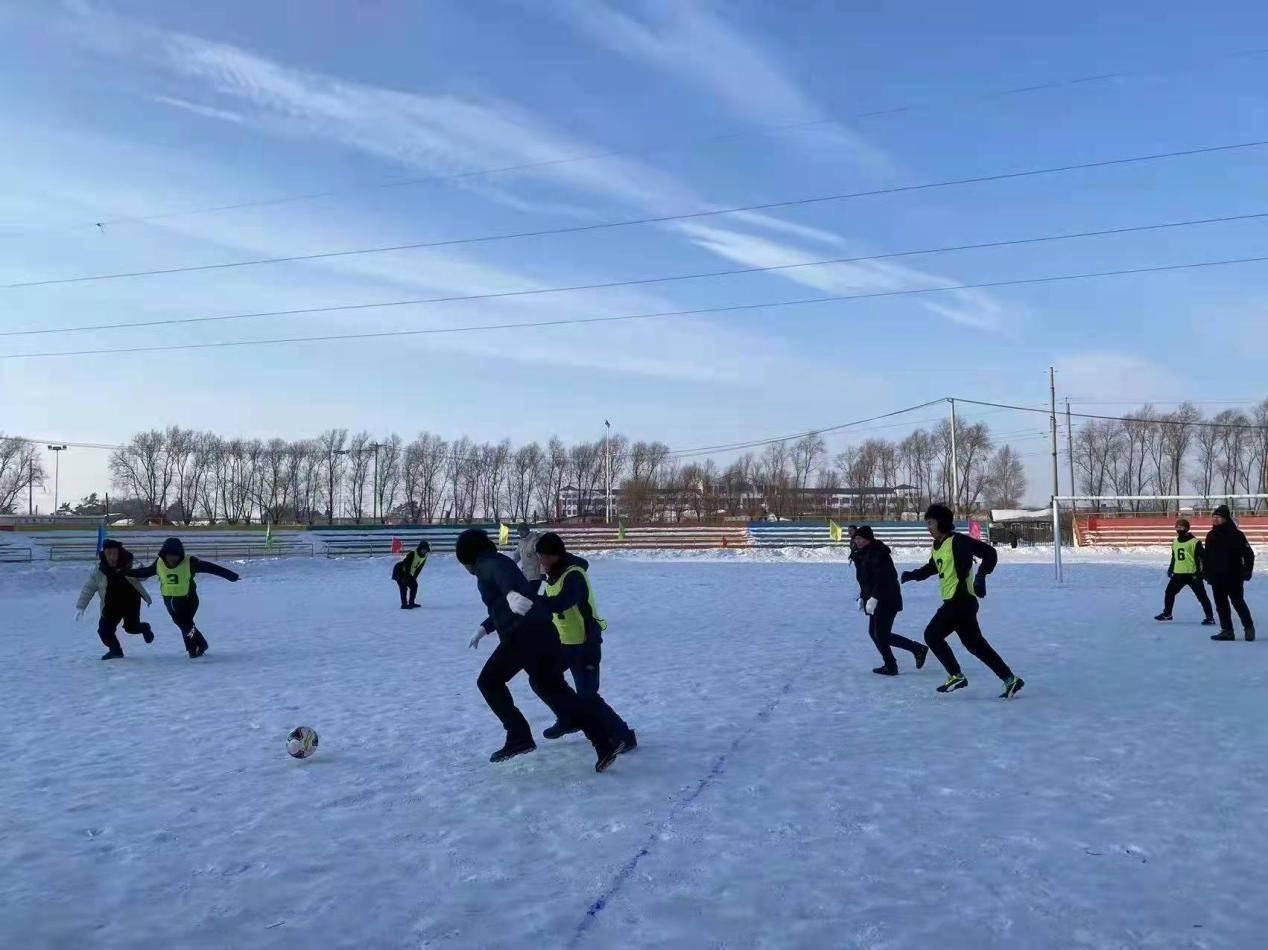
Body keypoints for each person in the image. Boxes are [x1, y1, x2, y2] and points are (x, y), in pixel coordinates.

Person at [457, 528, 624, 771]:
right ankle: (604, 741)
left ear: (468, 556)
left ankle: (519, 736)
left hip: (522, 635)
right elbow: (507, 603)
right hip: (543, 632)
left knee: (489, 682)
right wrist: (485, 628)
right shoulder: (497, 561)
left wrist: (512, 592)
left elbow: (505, 580)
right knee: (554, 689)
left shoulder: (487, 563)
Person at [506, 532, 636, 752]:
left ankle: (624, 736)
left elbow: (561, 603)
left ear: (556, 555)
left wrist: (531, 602)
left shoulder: (574, 575)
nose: (541, 561)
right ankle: (567, 718)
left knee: (588, 696)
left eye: (544, 556)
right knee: (541, 679)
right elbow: (551, 609)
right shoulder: (553, 574)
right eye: (539, 556)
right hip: (563, 643)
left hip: (585, 645)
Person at [901, 503, 1024, 698]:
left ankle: (956, 675)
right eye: (927, 523)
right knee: (975, 645)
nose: (928, 527)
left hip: (960, 601)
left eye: (930, 522)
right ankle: (1010, 679)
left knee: (932, 635)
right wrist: (912, 575)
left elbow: (990, 554)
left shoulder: (958, 541)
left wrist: (981, 576)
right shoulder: (938, 545)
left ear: (941, 522)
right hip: (958, 603)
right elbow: (932, 567)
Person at [128, 537, 240, 658]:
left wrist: (231, 576)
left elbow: (210, 568)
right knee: (186, 625)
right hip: (171, 601)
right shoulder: (159, 563)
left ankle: (200, 645)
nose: (172, 558)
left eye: (176, 555)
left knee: (186, 625)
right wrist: (126, 572)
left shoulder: (190, 563)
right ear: (164, 554)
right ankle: (194, 648)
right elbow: (146, 572)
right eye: (170, 555)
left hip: (190, 599)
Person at [852, 526, 928, 675]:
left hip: (887, 599)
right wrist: (862, 596)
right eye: (857, 539)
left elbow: (886, 578)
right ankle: (902, 657)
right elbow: (866, 581)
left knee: (880, 635)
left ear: (869, 539)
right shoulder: (861, 555)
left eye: (861, 539)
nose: (858, 541)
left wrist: (874, 597)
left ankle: (905, 657)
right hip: (873, 600)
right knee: (875, 634)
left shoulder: (879, 553)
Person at [75, 538, 155, 660]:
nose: (112, 556)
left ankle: (145, 628)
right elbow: (89, 588)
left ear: (119, 552)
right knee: (104, 631)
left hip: (130, 603)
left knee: (131, 628)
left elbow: (143, 575)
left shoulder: (129, 563)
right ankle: (115, 650)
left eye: (114, 553)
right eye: (109, 553)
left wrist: (141, 569)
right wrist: (81, 607)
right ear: (104, 554)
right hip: (111, 605)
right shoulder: (100, 570)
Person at [1204, 504, 1256, 642]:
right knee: (1221, 605)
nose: (1215, 519)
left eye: (1218, 517)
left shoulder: (1237, 535)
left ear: (1226, 519)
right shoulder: (1210, 535)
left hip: (1234, 576)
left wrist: (1247, 571)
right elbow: (1207, 556)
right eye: (1213, 517)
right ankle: (1227, 631)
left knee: (1238, 602)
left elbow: (1249, 554)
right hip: (1217, 577)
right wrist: (1206, 573)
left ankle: (1249, 627)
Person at [1154, 518, 1215, 625]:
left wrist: (1201, 573)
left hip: (1193, 574)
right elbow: (1174, 557)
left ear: (1187, 528)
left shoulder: (1195, 542)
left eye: (1181, 527)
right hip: (1178, 574)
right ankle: (1167, 614)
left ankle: (1210, 617)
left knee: (1202, 596)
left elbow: (1203, 559)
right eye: (1177, 527)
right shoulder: (1175, 542)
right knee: (1169, 593)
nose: (1179, 529)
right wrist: (1171, 568)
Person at [392, 540, 429, 609]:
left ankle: (411, 603)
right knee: (403, 587)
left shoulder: (424, 557)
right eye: (423, 549)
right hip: (399, 570)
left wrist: (414, 578)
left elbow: (418, 568)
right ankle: (404, 605)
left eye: (425, 549)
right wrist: (406, 577)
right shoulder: (412, 553)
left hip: (407, 572)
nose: (424, 551)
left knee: (414, 585)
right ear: (420, 548)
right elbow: (406, 565)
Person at [511, 524, 544, 590]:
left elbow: (542, 557)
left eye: (521, 531)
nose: (520, 533)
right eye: (519, 532)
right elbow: (516, 556)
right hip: (525, 575)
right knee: (526, 596)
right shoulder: (521, 542)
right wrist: (509, 565)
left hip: (535, 576)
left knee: (531, 596)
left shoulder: (535, 541)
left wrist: (542, 572)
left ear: (527, 530)